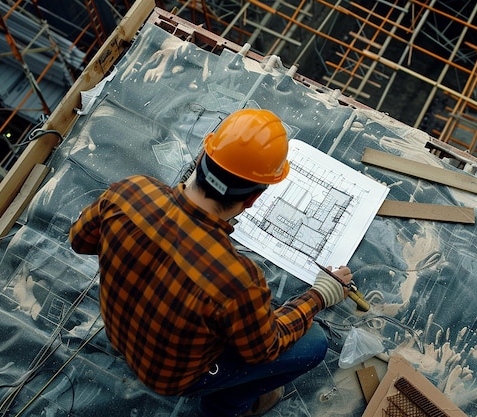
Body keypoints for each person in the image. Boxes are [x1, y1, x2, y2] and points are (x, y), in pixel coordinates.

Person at [69, 108, 353, 417]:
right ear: (252, 199)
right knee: (313, 343)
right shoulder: (237, 280)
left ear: (204, 155)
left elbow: (80, 241)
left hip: (120, 335)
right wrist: (319, 296)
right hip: (172, 377)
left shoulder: (130, 191)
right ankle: (224, 406)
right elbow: (264, 349)